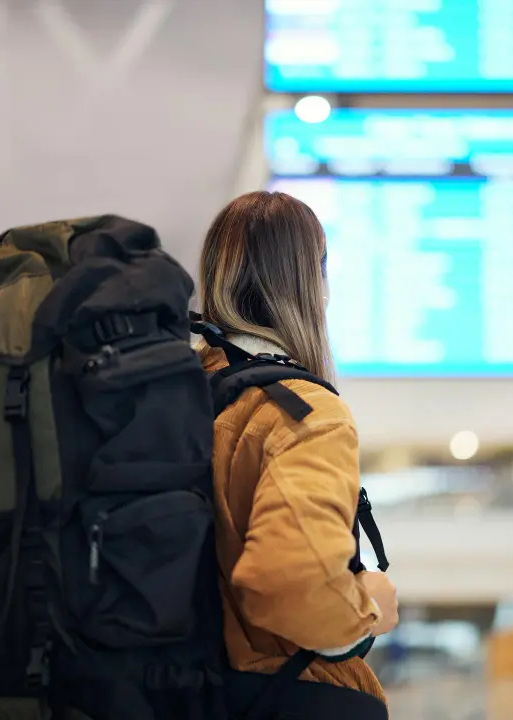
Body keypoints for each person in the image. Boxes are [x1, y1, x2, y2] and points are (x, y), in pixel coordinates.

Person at [196, 190, 399, 718]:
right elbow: (289, 581)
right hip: (281, 695)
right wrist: (367, 608)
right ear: (314, 283)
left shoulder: (179, 399)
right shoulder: (301, 412)